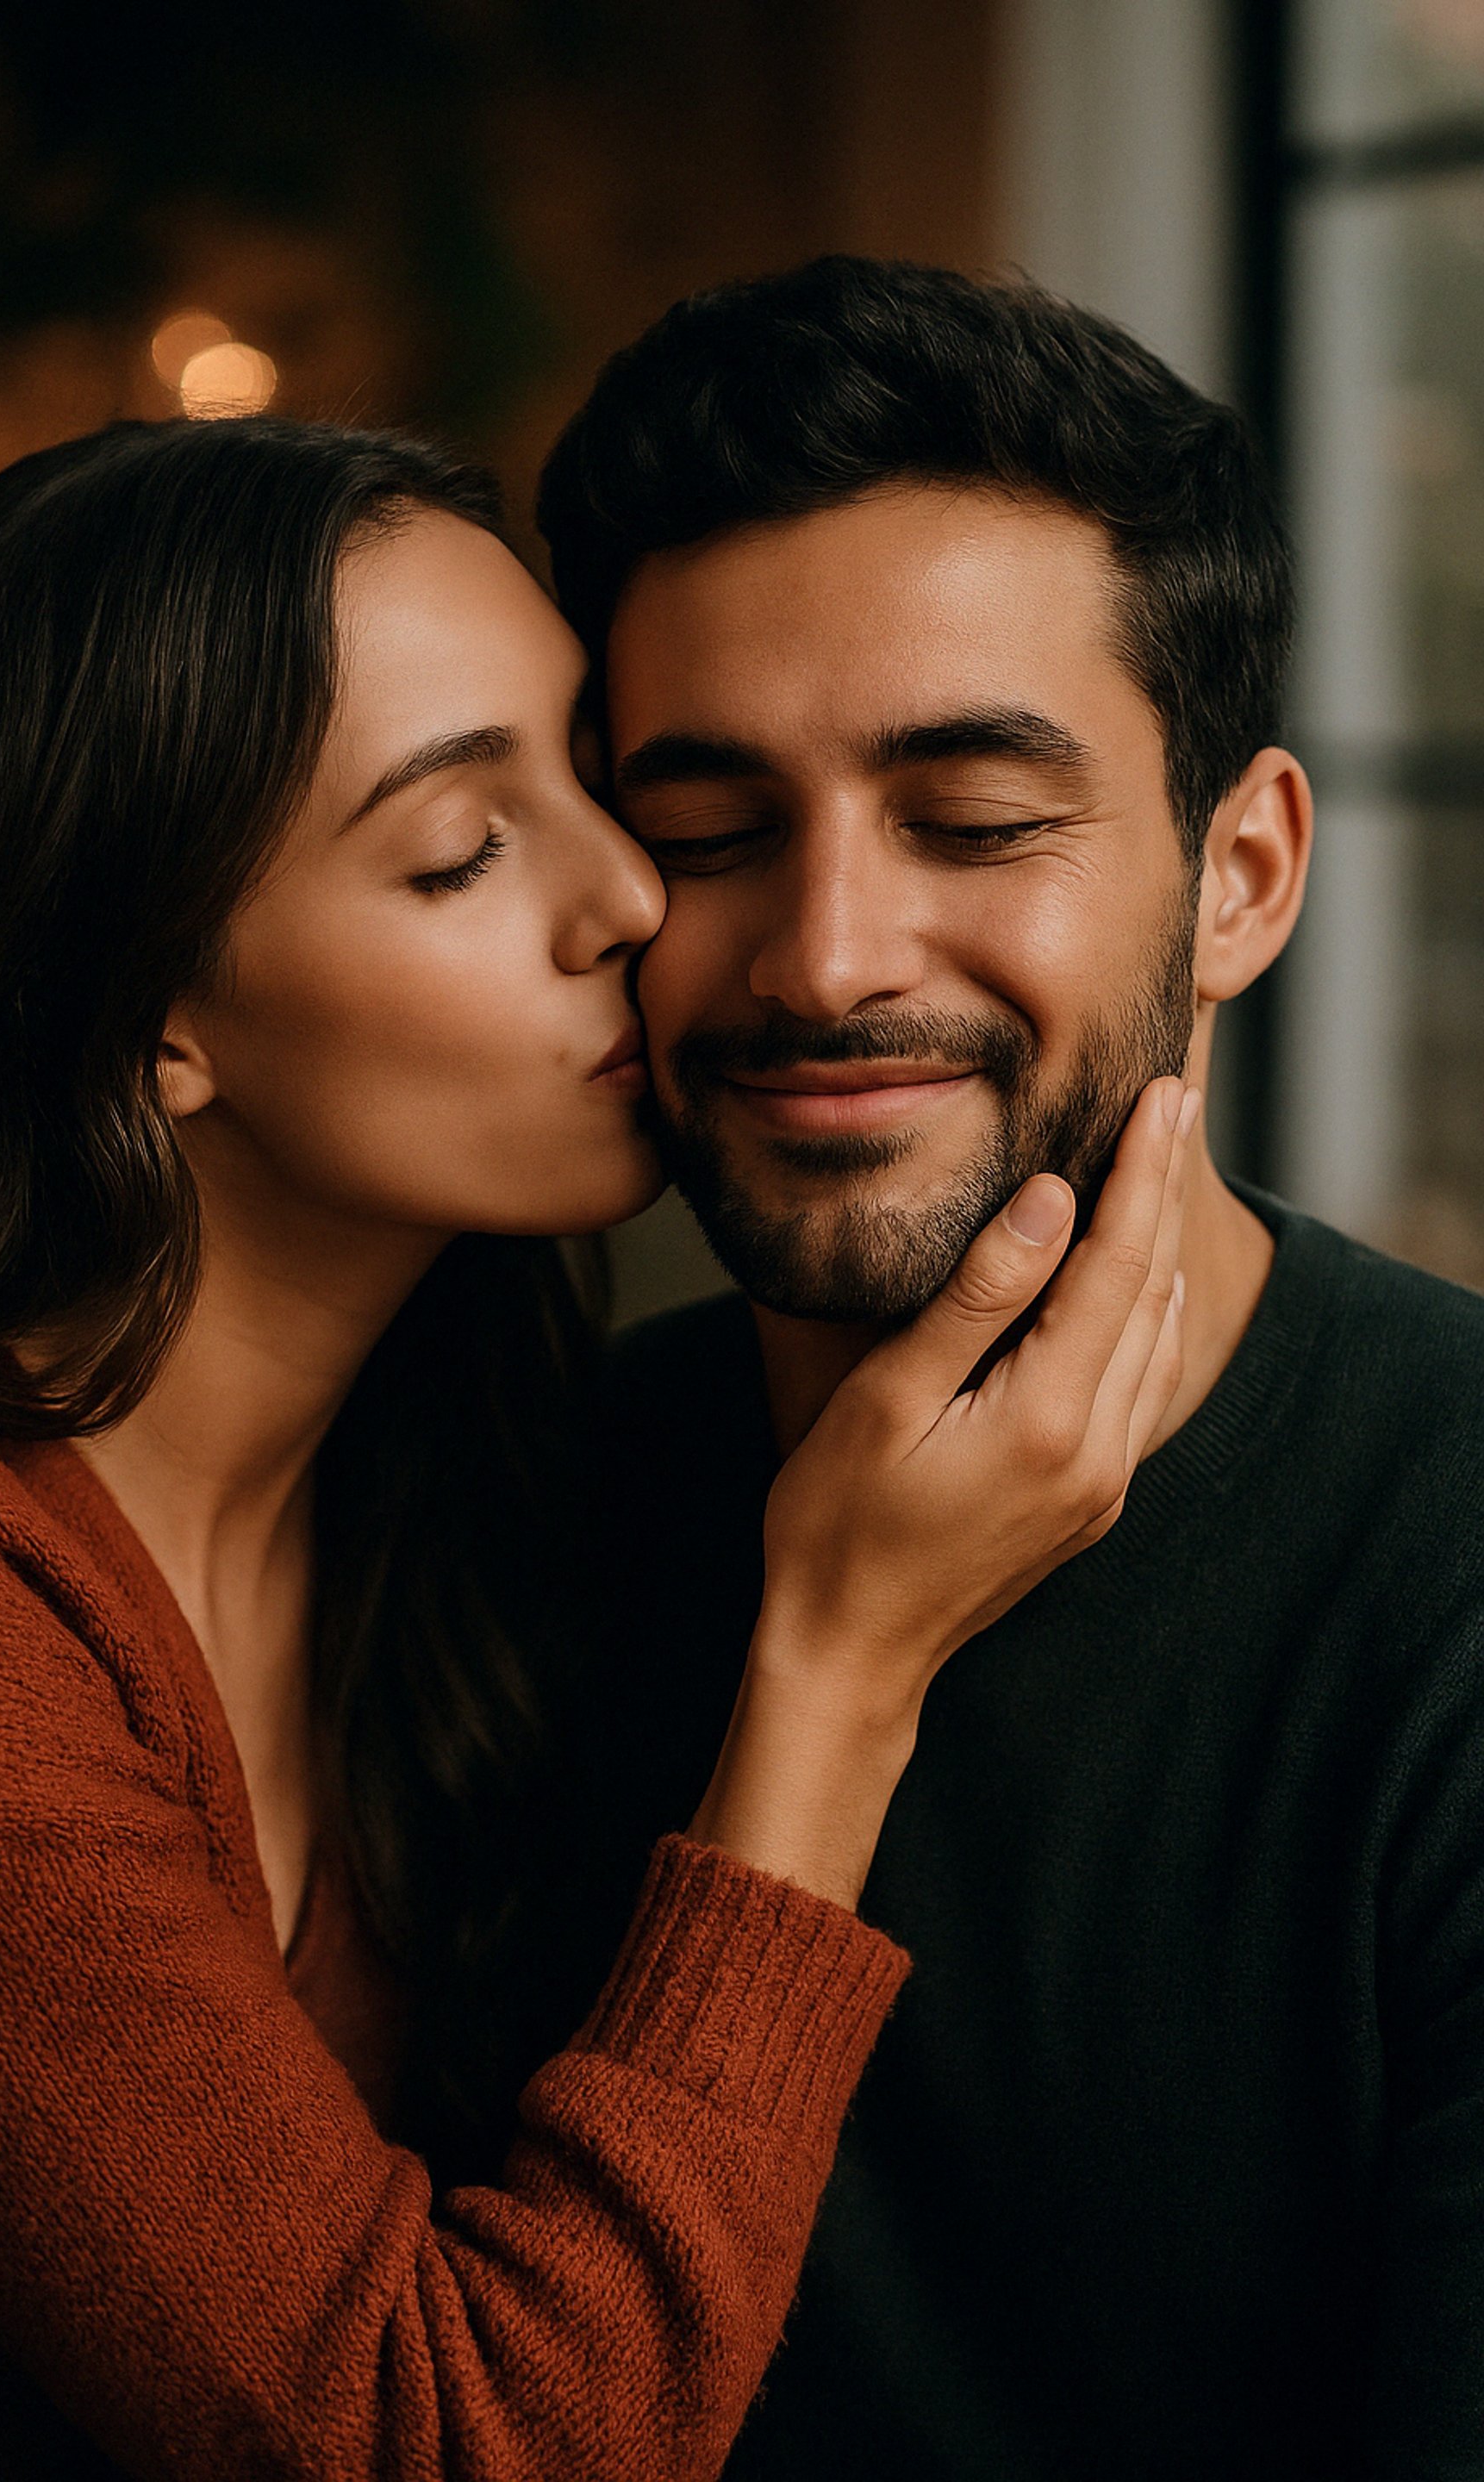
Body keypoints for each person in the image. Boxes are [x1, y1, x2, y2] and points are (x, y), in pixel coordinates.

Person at [0, 414, 1190, 2480]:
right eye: (465, 849)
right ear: (144, 1015)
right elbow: (455, 2443)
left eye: (607, 782)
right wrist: (842, 1658)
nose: (633, 897)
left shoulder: (474, 1475)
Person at [536, 256, 1484, 2481]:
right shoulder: (510, 1508)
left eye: (973, 822)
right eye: (705, 833)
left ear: (1241, 877)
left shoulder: (1445, 1559)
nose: (825, 958)